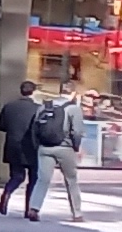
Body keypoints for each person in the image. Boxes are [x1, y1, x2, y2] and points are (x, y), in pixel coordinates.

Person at [0, 81, 47, 219]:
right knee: (33, 179)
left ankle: (7, 192)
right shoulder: (39, 109)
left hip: (13, 145)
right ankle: (29, 209)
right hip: (32, 148)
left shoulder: (9, 107)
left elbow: (1, 126)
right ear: (33, 92)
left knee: (17, 176)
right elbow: (42, 129)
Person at [35, 88, 88, 220]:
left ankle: (34, 208)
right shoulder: (73, 108)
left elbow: (35, 128)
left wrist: (38, 145)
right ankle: (77, 213)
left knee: (43, 179)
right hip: (65, 148)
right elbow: (77, 132)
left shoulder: (45, 107)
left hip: (45, 148)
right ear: (73, 93)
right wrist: (76, 147)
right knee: (71, 180)